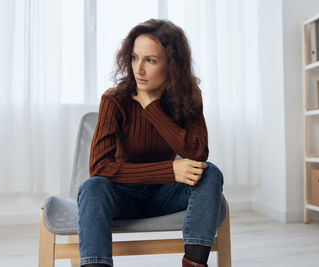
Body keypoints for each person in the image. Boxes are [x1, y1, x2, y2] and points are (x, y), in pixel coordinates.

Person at [77, 19, 224, 267]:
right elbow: (100, 167)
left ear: (172, 65)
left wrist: (151, 107)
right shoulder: (114, 99)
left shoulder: (189, 97)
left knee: (210, 174)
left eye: (150, 60)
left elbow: (198, 152)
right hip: (122, 196)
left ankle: (194, 263)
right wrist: (169, 170)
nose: (138, 70)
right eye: (134, 57)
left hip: (164, 195)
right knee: (92, 187)